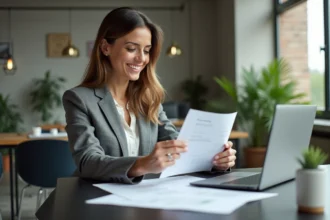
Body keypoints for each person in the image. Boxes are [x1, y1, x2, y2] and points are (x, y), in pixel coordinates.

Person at [62, 7, 236, 184]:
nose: (141, 59)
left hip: (143, 198)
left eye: (146, 50)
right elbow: (87, 161)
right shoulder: (79, 99)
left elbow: (174, 143)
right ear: (106, 47)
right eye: (131, 48)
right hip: (95, 199)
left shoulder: (148, 98)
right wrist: (142, 164)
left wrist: (214, 159)